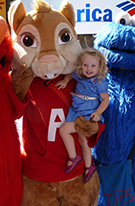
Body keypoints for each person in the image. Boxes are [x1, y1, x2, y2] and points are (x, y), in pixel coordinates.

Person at [56, 48, 109, 183]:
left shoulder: (99, 82)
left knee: (64, 130)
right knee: (83, 142)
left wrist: (98, 112)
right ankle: (88, 166)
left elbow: (105, 99)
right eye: (85, 65)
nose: (89, 69)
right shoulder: (79, 75)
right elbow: (70, 75)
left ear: (99, 67)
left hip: (87, 115)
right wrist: (66, 81)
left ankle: (74, 157)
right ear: (81, 65)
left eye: (93, 66)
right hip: (76, 111)